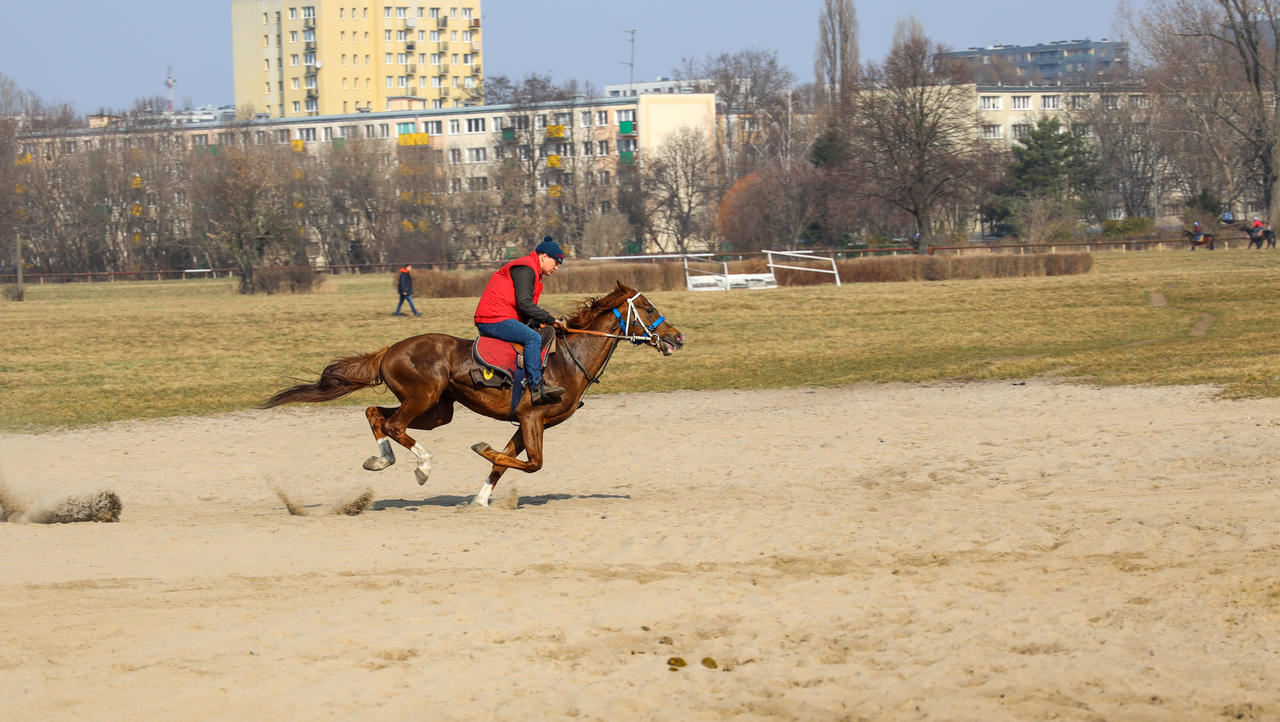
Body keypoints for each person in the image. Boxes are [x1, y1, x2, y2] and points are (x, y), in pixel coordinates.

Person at [474, 237, 567, 405]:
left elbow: (526, 309)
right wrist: (549, 319)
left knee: (537, 332)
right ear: (544, 256)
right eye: (556, 262)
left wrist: (541, 323)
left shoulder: (534, 273)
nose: (557, 267)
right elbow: (524, 303)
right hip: (492, 318)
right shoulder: (526, 268)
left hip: (503, 316)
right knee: (533, 338)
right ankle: (536, 387)